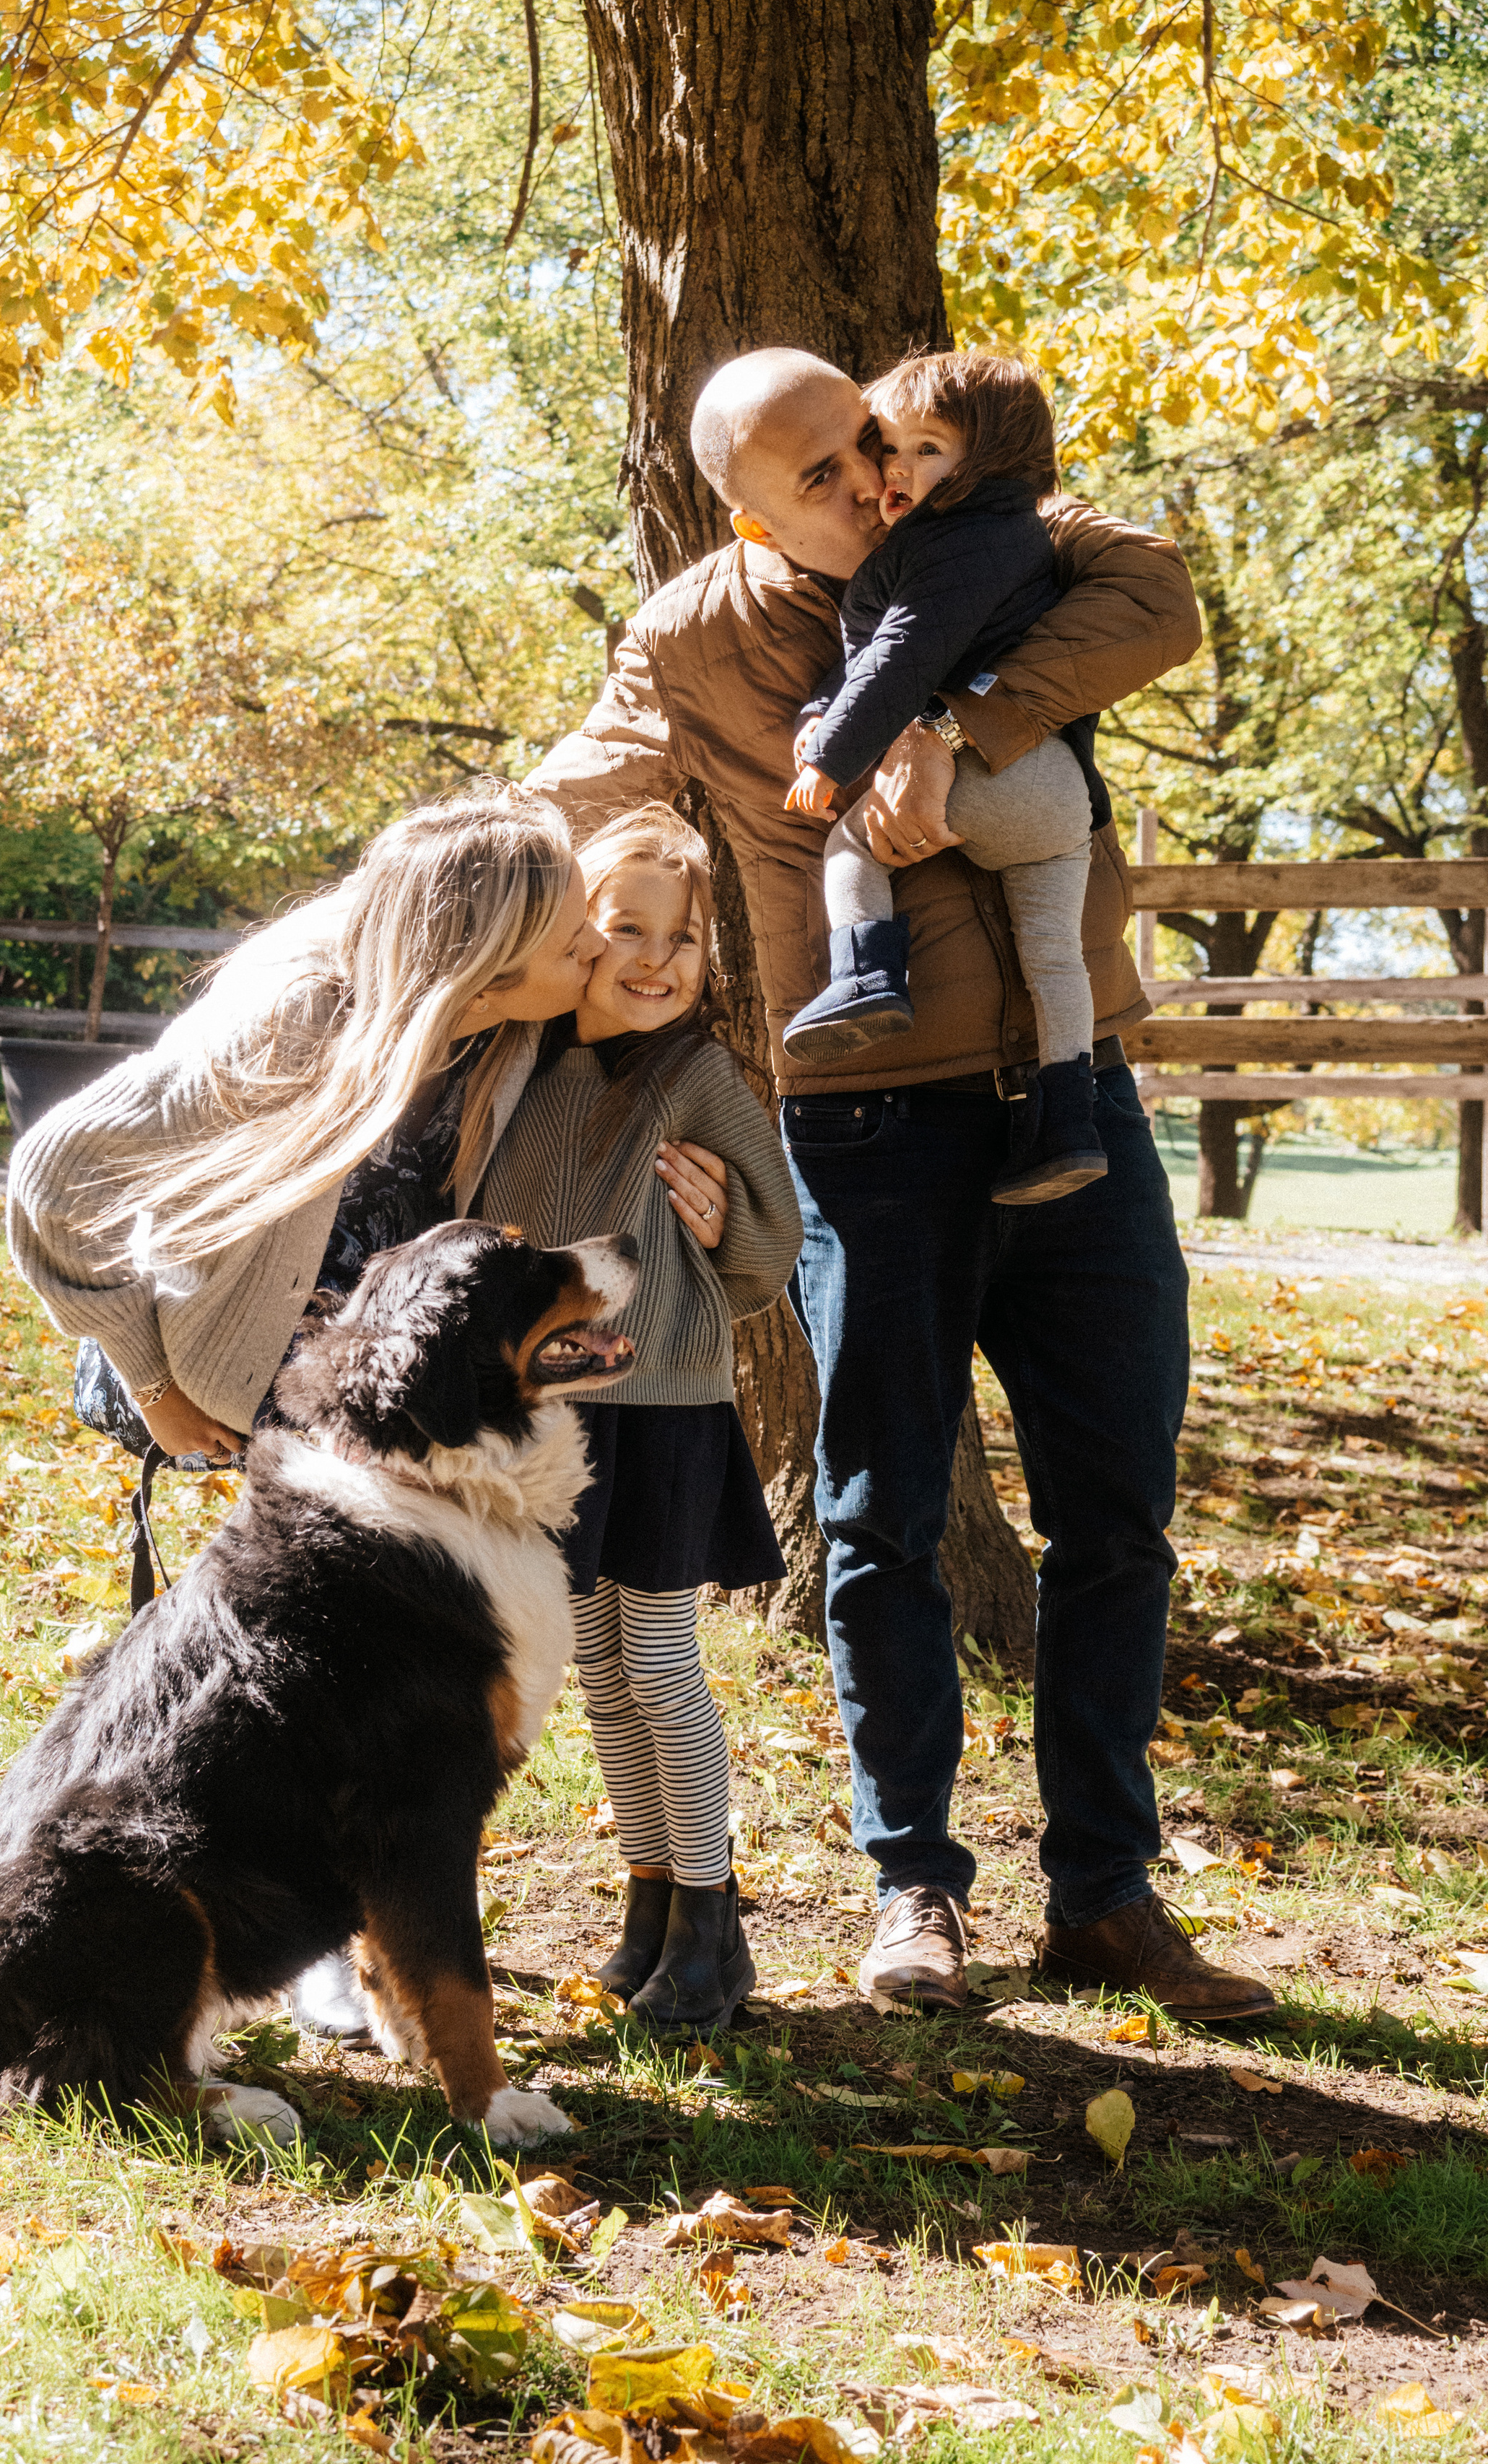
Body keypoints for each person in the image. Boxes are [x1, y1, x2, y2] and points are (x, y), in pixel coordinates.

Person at [529, 348, 1276, 2026]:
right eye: (819, 474)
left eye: (870, 440)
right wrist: (407, 894)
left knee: (1116, 1514)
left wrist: (952, 722)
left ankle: (1102, 1893)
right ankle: (912, 1887)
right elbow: (574, 785)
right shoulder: (691, 639)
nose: (870, 480)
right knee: (878, 1516)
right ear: (747, 514)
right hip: (869, 1133)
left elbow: (1156, 599)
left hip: (1076, 1099)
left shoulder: (1007, 531)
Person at [5, 782, 731, 2041]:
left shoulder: (502, 1023)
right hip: (223, 1366)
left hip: (376, 1361)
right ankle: (237, 1941)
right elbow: (52, 1178)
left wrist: (725, 1200)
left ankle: (339, 1932)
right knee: (254, 1673)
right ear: (490, 954)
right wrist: (149, 1376)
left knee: (349, 1679)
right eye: (574, 934)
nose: (592, 946)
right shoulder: (298, 1017)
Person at [480, 806, 802, 2034]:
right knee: (600, 1669)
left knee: (661, 1662)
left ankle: (715, 1926)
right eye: (627, 929)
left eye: (684, 937)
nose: (657, 958)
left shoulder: (697, 1077)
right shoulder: (522, 1063)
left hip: (666, 1403)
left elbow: (772, 1240)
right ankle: (652, 1900)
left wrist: (721, 1229)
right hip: (559, 1418)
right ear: (579, 935)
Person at [781, 349, 1105, 1208]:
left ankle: (864, 979)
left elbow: (899, 654)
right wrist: (821, 707)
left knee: (852, 848)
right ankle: (1067, 1124)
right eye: (891, 448)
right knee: (1055, 956)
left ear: (990, 458)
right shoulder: (1007, 535)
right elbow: (876, 658)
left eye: (926, 449)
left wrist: (828, 755)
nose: (896, 469)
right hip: (1057, 794)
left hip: (990, 768)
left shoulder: (957, 540)